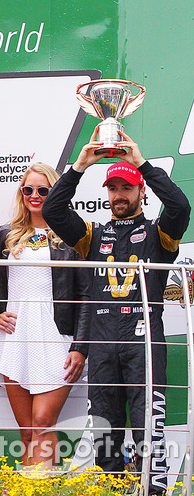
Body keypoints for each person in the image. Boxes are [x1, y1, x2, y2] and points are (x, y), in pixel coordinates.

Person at [42, 129, 190, 494]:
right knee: (105, 434)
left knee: (148, 432)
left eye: (126, 188)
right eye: (113, 188)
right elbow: (52, 211)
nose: (118, 195)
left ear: (141, 192)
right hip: (104, 344)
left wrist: (142, 163)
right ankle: (112, 490)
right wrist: (79, 166)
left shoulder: (159, 234)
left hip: (144, 343)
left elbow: (181, 207)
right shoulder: (93, 235)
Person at [0, 163, 91, 469]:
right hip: (16, 337)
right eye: (28, 189)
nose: (34, 195)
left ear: (55, 193)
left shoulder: (74, 236)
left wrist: (79, 347)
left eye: (43, 190)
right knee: (28, 432)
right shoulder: (7, 234)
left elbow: (86, 296)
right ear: (21, 193)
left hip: (57, 337)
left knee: (42, 421)